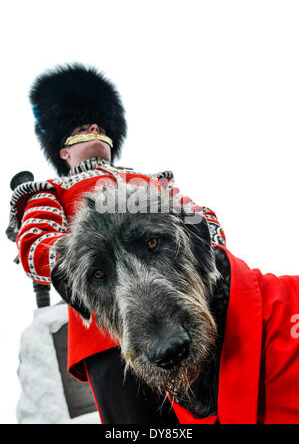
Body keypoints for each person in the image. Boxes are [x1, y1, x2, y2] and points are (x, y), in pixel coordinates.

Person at [8, 63, 226, 423]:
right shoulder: (51, 191)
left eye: (98, 126)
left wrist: (213, 262)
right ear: (64, 151)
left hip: (190, 309)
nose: (94, 130)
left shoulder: (149, 181)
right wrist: (88, 255)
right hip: (106, 339)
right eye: (80, 129)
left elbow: (198, 219)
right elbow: (35, 249)